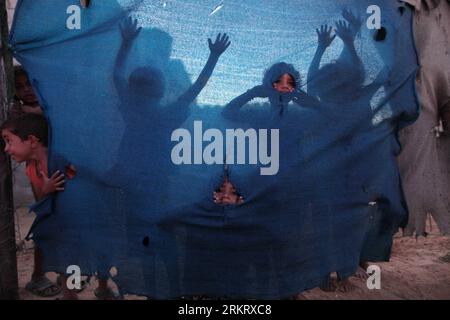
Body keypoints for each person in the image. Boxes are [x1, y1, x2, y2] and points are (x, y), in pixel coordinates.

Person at [1, 114, 63, 297]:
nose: (6, 148)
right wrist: (47, 187)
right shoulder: (31, 168)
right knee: (70, 273)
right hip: (62, 230)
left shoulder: (60, 161)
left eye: (9, 141)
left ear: (31, 141)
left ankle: (99, 288)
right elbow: (44, 197)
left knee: (76, 268)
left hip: (78, 229)